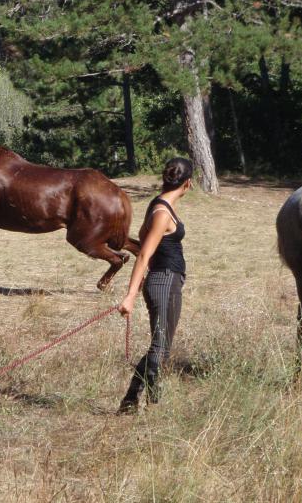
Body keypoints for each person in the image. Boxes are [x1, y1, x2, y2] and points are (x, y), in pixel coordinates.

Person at [117, 158, 193, 413]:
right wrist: (130, 295)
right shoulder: (162, 214)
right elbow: (143, 254)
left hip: (162, 281)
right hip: (164, 282)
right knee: (161, 348)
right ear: (188, 184)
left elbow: (141, 238)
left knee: (159, 346)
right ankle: (138, 401)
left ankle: (142, 398)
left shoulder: (157, 205)